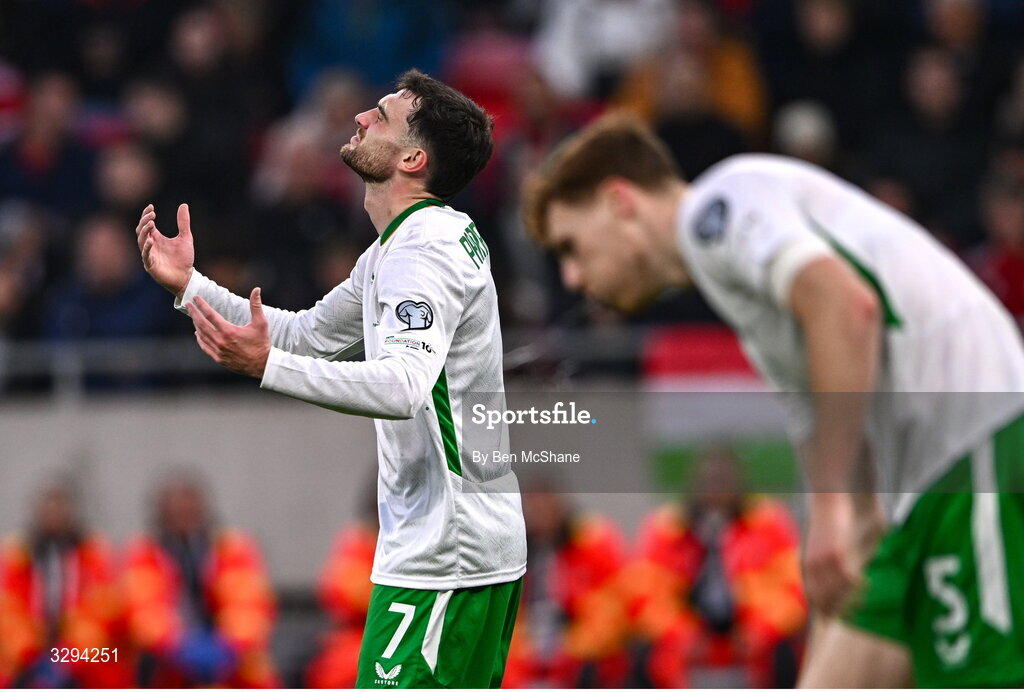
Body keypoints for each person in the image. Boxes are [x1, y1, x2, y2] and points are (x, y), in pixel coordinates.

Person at [522, 115, 1024, 687]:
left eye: (572, 246)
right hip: (918, 493)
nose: (574, 276)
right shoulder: (738, 285)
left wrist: (832, 509)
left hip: (971, 445)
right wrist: (850, 525)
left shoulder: (721, 205)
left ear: (620, 203)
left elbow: (843, 308)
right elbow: (831, 408)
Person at [134, 69, 527, 689]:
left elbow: (402, 388)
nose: (361, 119)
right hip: (464, 543)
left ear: (412, 157)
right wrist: (190, 286)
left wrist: (267, 367)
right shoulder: (406, 244)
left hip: (445, 552)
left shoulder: (421, 254)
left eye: (382, 116)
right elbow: (309, 333)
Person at [122, 473, 279, 688]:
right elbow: (143, 608)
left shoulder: (232, 547)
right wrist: (177, 645)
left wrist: (229, 645)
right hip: (169, 658)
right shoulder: (144, 552)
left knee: (256, 669)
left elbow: (250, 602)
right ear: (160, 510)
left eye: (189, 502)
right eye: (175, 504)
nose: (183, 510)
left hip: (229, 654)